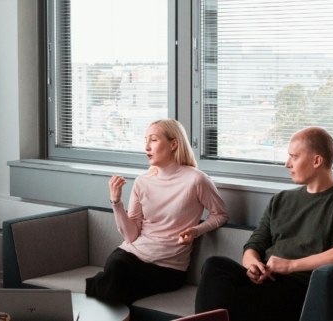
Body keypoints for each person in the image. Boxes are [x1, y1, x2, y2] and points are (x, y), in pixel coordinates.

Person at [194, 127, 333, 320]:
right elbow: (254, 244)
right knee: (215, 265)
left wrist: (291, 265)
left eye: (294, 157)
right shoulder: (280, 200)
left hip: (297, 288)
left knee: (227, 305)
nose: (287, 163)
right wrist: (253, 265)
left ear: (317, 160)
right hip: (264, 280)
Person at [85, 119, 229, 305]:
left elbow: (221, 214)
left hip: (168, 267)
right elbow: (131, 236)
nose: (146, 147)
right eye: (145, 140)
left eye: (153, 140)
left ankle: (94, 287)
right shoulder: (142, 181)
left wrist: (196, 230)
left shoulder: (197, 180)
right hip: (131, 255)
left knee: (115, 285)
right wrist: (116, 202)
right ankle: (105, 290)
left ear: (174, 144)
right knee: (117, 268)